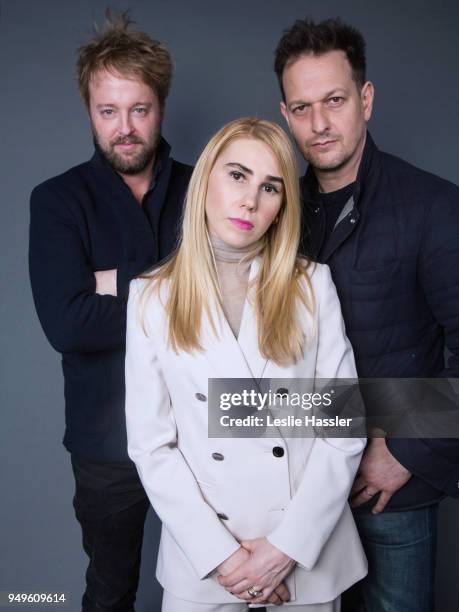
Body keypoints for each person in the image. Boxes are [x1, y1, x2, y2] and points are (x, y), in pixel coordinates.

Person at [125, 117, 367, 612]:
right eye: (237, 175)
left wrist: (284, 551)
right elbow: (152, 446)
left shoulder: (311, 286)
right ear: (206, 179)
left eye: (270, 187)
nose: (250, 200)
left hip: (305, 554)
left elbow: (342, 427)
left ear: (282, 206)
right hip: (205, 561)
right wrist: (226, 560)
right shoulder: (150, 297)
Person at [274, 17, 459, 612]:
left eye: (334, 100)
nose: (319, 123)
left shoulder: (432, 205)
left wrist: (404, 449)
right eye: (302, 107)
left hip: (387, 494)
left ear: (366, 99)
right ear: (284, 114)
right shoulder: (274, 215)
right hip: (296, 494)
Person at [28, 11, 192, 611]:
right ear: (90, 112)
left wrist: (111, 285)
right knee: (110, 588)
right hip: (106, 441)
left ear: (161, 108)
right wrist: (174, 290)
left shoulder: (204, 188)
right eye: (108, 111)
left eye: (139, 110)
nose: (125, 128)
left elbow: (235, 304)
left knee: (219, 583)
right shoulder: (56, 200)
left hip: (201, 431)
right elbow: (67, 323)